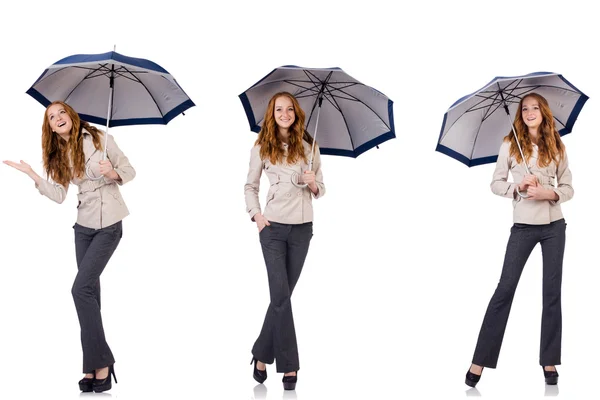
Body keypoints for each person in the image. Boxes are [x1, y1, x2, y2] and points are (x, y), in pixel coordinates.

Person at [3, 101, 135, 393]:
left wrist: (112, 172)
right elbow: (60, 195)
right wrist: (33, 176)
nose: (58, 117)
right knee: (90, 296)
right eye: (52, 116)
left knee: (80, 289)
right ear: (49, 127)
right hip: (83, 227)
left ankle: (101, 362)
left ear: (71, 115)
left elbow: (130, 170)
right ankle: (93, 365)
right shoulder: (57, 155)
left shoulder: (100, 138)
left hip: (110, 222)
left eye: (62, 112)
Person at [465, 93, 573, 387]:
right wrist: (518, 186)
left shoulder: (557, 145)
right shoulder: (509, 144)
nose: (529, 113)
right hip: (523, 226)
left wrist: (548, 193)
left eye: (534, 108)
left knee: (552, 293)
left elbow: (568, 187)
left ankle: (549, 360)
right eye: (524, 109)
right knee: (504, 290)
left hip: (554, 226)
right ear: (519, 114)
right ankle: (479, 360)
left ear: (543, 111)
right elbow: (495, 183)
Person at [244, 92, 326, 390]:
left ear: (296, 113)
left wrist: (313, 182)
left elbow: (323, 188)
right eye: (279, 109)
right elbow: (250, 186)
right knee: (280, 297)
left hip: (302, 229)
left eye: (289, 109)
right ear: (272, 113)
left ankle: (260, 353)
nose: (284, 113)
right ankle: (289, 367)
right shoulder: (261, 147)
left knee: (283, 298)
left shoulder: (310, 146)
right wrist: (257, 217)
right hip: (273, 230)